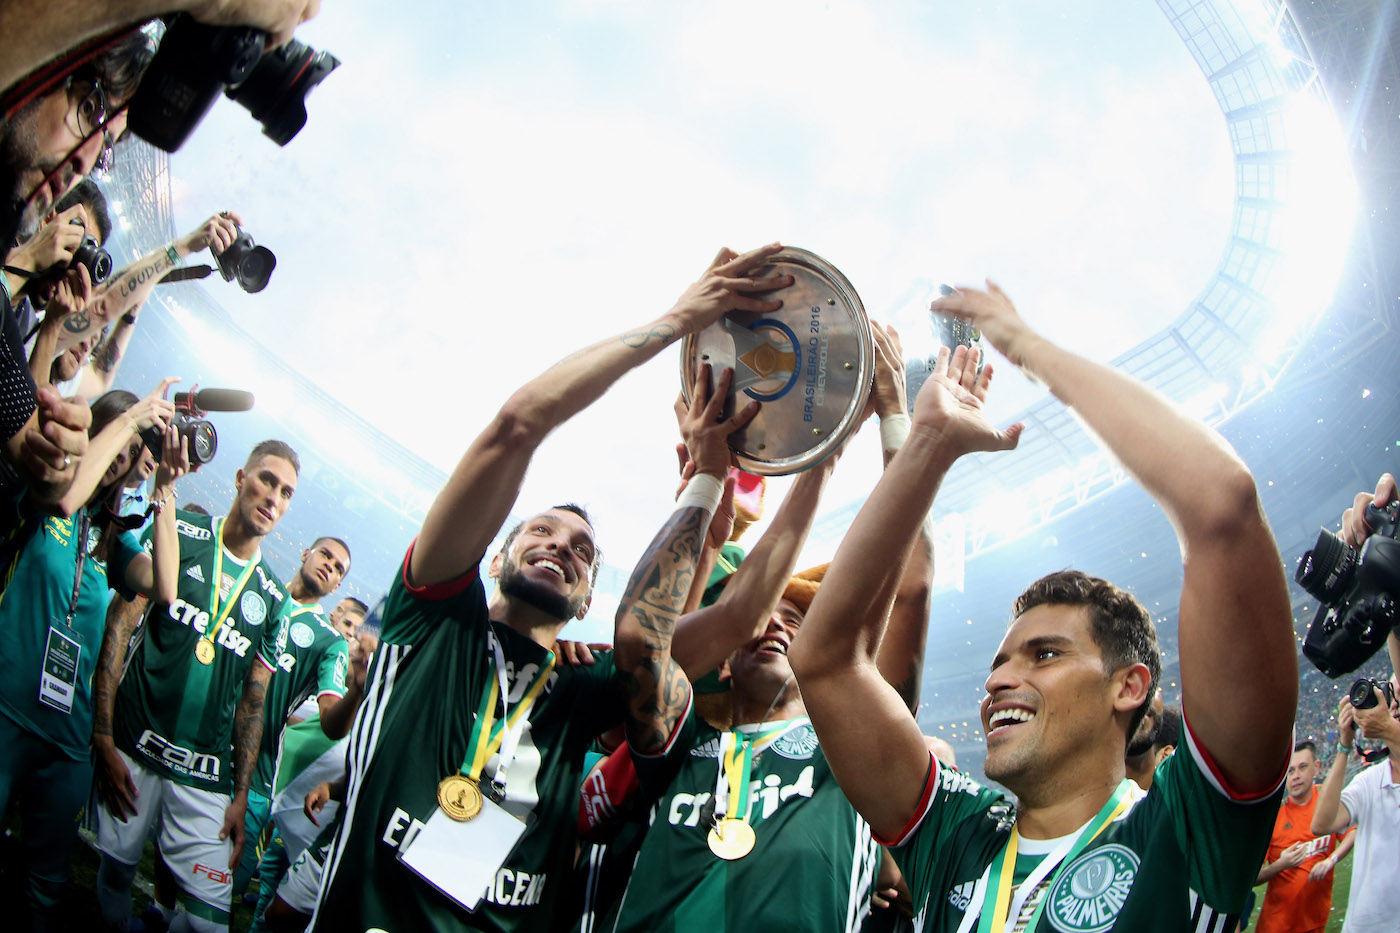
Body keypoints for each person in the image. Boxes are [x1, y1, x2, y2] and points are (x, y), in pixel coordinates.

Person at [306, 243, 791, 932]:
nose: (561, 545)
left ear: (589, 598)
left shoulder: (584, 685)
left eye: (584, 552)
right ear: (498, 550)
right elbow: (518, 424)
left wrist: (711, 491)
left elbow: (728, 618)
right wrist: (679, 317)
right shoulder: (432, 616)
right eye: (540, 532)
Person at [790, 281, 1297, 933]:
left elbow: (1222, 504)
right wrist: (927, 444)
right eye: (1001, 661)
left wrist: (1028, 347)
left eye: (1045, 653)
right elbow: (825, 661)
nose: (999, 678)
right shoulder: (955, 834)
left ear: (1128, 685)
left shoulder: (1186, 831)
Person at [608, 322, 934, 933]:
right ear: (725, 658)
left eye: (797, 623)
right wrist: (707, 488)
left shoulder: (856, 755)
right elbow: (644, 639)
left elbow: (910, 588)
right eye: (765, 620)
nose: (775, 630)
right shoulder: (674, 742)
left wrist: (893, 416)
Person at [90, 439, 301, 932]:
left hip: (204, 777)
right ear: (239, 479)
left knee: (208, 923)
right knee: (114, 878)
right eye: (267, 480)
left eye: (287, 492)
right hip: (133, 748)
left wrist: (240, 796)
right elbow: (119, 626)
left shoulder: (272, 598)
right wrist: (102, 735)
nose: (274, 497)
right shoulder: (179, 530)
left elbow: (254, 701)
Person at [0, 383, 186, 931]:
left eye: (131, 458)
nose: (122, 465)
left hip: (66, 738)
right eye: (119, 450)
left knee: (47, 885)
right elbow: (63, 491)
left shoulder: (110, 539)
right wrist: (129, 420)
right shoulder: (45, 494)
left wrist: (166, 489)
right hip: (6, 710)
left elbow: (167, 588)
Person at [231, 536, 356, 897]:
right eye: (325, 556)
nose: (329, 566)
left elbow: (331, 719)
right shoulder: (256, 588)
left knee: (223, 891)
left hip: (255, 770)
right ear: (306, 553)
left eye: (337, 569)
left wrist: (357, 688)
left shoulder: (329, 642)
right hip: (200, 742)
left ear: (336, 586)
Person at [1310, 682, 1400, 933]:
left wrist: (1387, 727)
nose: (1391, 707)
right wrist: (1344, 746)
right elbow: (1322, 824)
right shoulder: (1370, 780)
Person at [1253, 741, 1354, 933]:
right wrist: (1280, 865)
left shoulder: (1326, 801)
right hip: (1275, 926)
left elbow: (1351, 832)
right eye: (1290, 771)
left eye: (1302, 767)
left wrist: (1331, 860)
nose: (1296, 776)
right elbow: (1253, 878)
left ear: (1316, 767)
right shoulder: (1274, 817)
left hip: (1315, 924)